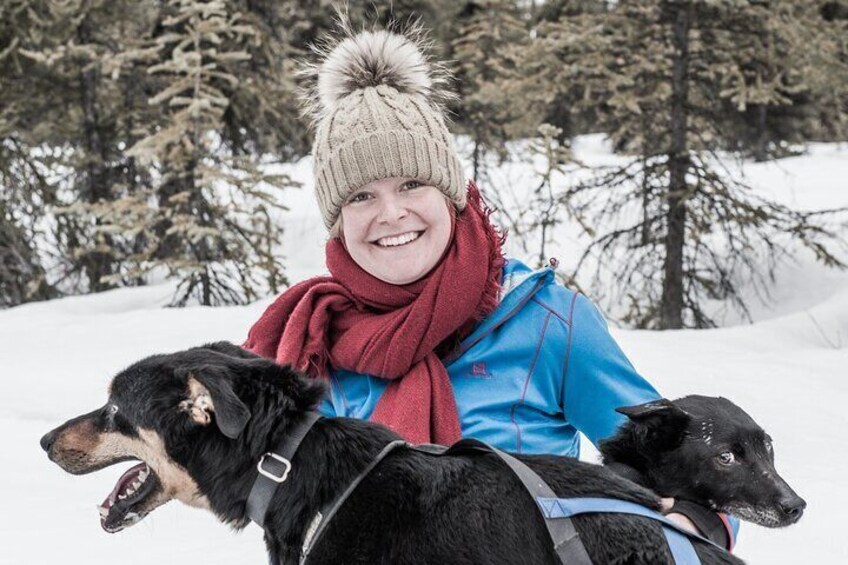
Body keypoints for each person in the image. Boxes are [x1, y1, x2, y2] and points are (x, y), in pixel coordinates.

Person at [244, 25, 737, 552]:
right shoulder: (311, 342)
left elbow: (675, 459)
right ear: (337, 222)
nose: (391, 214)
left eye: (412, 184)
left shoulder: (548, 322)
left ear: (452, 194)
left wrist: (687, 525)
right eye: (361, 196)